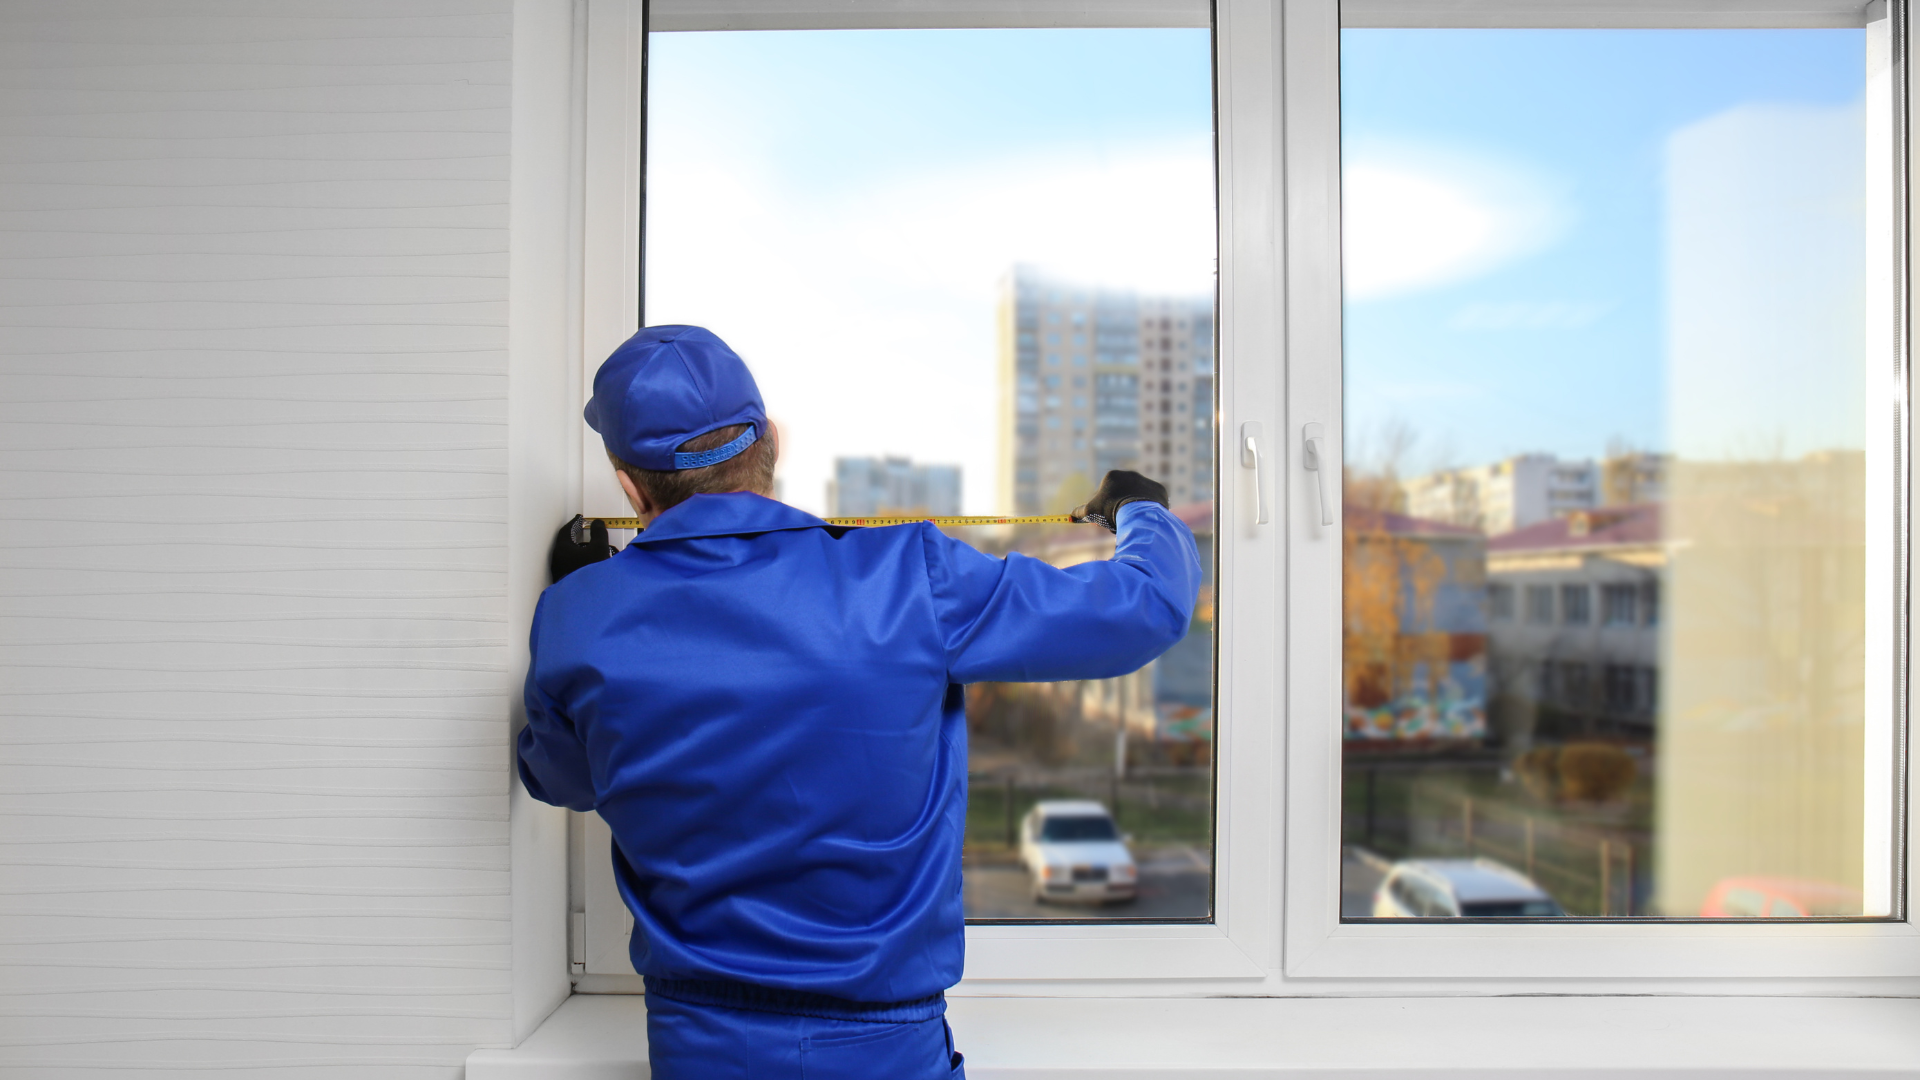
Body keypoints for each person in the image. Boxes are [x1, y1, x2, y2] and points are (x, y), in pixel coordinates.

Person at [517, 325, 1201, 1080]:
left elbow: (562, 779)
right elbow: (1145, 608)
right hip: (888, 1048)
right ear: (770, 442)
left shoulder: (578, 617)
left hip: (698, 1049)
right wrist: (1142, 511)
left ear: (629, 485)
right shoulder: (907, 576)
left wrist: (580, 598)